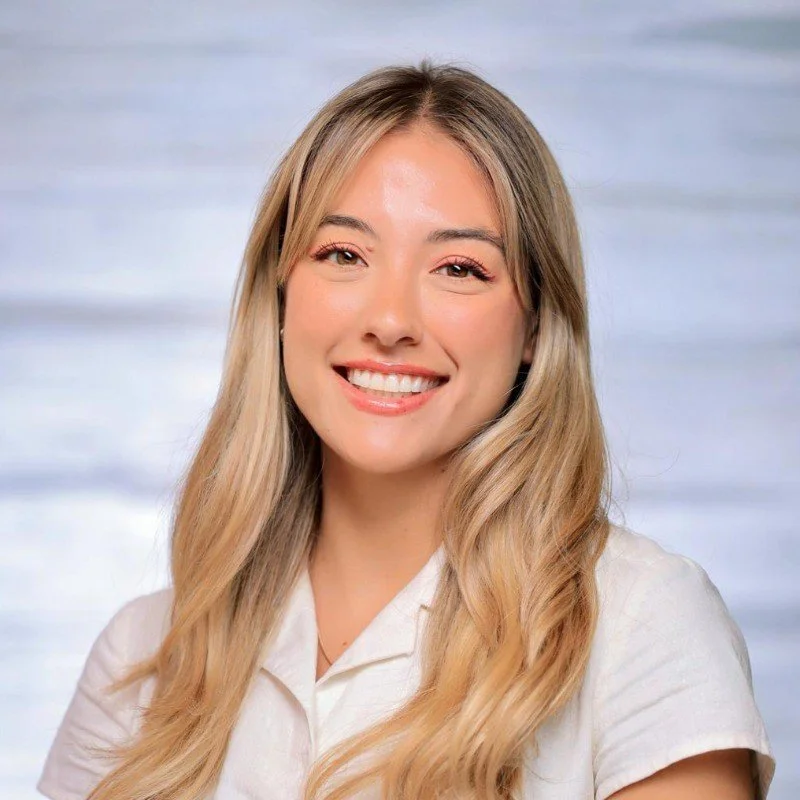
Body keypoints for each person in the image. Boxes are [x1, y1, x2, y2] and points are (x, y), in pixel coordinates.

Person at [37, 59, 775, 800]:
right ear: (280, 295)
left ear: (535, 327)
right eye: (344, 254)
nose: (390, 321)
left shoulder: (640, 625)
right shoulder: (141, 659)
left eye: (459, 268)